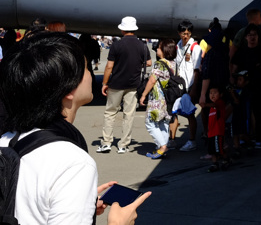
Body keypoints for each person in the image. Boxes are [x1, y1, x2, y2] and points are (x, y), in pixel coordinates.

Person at [0, 32, 150, 225]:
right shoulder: (73, 164)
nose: (89, 75)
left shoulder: (6, 140)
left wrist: (77, 202)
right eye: (86, 69)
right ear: (70, 90)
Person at [99, 16, 151, 154]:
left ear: (122, 30)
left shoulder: (117, 45)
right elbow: (149, 63)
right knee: (129, 114)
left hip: (116, 84)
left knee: (110, 112)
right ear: (134, 29)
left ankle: (106, 142)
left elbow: (109, 66)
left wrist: (105, 83)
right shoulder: (142, 45)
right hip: (133, 84)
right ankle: (123, 144)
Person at [138, 38, 178, 159]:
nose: (157, 49)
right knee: (163, 123)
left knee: (150, 123)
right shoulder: (174, 63)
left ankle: (162, 146)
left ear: (165, 50)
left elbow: (152, 80)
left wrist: (144, 94)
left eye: (159, 48)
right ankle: (163, 147)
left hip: (157, 99)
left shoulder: (160, 63)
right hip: (168, 99)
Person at [172, 20, 202, 151]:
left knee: (190, 114)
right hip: (179, 84)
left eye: (188, 33)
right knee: (173, 111)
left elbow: (197, 70)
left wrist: (194, 89)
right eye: (183, 33)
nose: (186, 36)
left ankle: (192, 140)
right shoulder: (178, 46)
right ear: (179, 33)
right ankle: (172, 140)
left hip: (190, 86)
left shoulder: (196, 48)